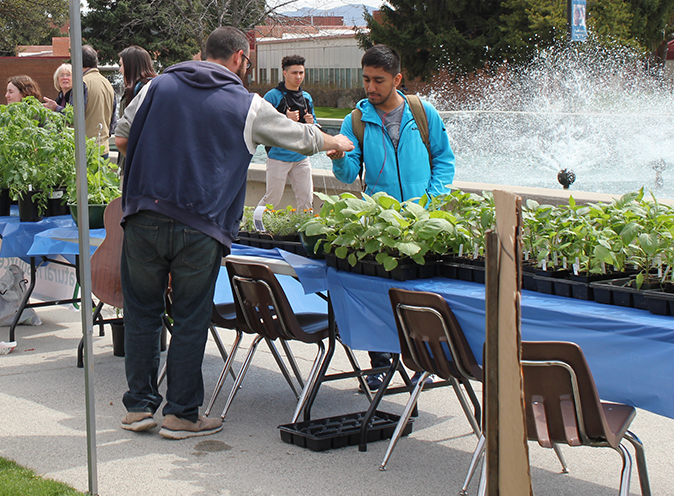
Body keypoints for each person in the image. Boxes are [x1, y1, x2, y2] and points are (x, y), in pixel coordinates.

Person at [118, 26, 354, 439]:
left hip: (142, 216)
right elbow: (297, 137)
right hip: (200, 225)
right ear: (241, 59)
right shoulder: (249, 105)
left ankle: (138, 408)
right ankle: (181, 415)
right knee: (190, 317)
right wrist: (336, 141)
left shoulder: (155, 88)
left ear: (203, 52)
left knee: (142, 312)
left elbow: (121, 138)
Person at [328, 44, 456, 391]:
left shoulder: (424, 113)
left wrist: (431, 201)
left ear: (397, 79)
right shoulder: (356, 120)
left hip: (421, 222)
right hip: (380, 224)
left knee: (416, 297)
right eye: (366, 79)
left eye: (379, 80)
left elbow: (444, 160)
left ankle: (418, 361)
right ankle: (380, 366)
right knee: (377, 296)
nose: (371, 88)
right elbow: (348, 173)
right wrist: (339, 157)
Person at [257, 55, 316, 211]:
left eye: (301, 73)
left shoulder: (306, 98)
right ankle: (255, 225)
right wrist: (284, 118)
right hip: (278, 157)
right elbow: (261, 126)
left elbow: (316, 129)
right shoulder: (272, 96)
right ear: (284, 73)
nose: (298, 77)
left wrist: (312, 124)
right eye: (294, 73)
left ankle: (304, 233)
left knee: (307, 201)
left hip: (301, 157)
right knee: (272, 200)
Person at [113, 45, 157, 160]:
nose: (120, 70)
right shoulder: (154, 88)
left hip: (137, 160)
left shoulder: (140, 91)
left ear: (131, 66)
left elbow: (122, 138)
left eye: (121, 65)